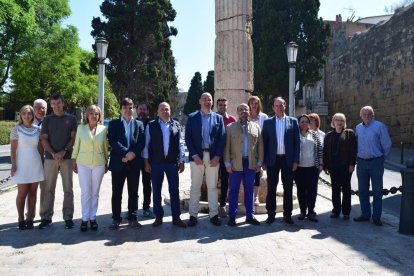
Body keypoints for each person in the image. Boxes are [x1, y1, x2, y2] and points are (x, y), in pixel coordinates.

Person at [143, 102, 187, 228]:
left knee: (174, 190)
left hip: (172, 163)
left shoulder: (176, 125)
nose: (164, 111)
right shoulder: (151, 125)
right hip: (156, 163)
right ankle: (158, 217)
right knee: (156, 191)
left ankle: (176, 217)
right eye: (162, 109)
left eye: (166, 109)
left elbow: (180, 144)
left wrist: (182, 160)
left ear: (170, 110)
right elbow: (146, 145)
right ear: (157, 111)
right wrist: (146, 162)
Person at [185, 92, 225, 226]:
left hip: (213, 156)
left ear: (212, 102)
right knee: (195, 187)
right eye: (205, 99)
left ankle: (214, 214)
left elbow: (222, 138)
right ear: (200, 101)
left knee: (212, 187)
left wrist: (217, 156)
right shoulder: (192, 117)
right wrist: (194, 155)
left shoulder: (218, 118)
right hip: (197, 156)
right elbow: (188, 138)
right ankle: (193, 215)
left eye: (209, 99)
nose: (207, 101)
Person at [39, 93, 77, 229]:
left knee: (68, 189)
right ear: (50, 105)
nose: (56, 106)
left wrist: (63, 151)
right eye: (53, 103)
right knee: (48, 188)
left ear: (63, 103)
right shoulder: (47, 120)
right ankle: (46, 217)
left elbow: (73, 138)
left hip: (66, 158)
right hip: (50, 158)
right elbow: (44, 138)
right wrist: (54, 153)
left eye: (58, 103)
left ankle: (68, 217)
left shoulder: (71, 118)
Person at [108, 98, 145, 230]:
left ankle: (132, 217)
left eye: (130, 108)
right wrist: (126, 154)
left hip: (134, 163)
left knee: (133, 192)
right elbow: (112, 141)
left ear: (133, 109)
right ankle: (116, 218)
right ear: (121, 110)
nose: (128, 110)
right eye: (125, 108)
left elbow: (141, 142)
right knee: (117, 192)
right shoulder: (113, 124)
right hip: (119, 162)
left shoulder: (139, 124)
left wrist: (132, 154)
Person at [223, 103, 263, 226]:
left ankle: (250, 216)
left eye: (245, 109)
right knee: (234, 190)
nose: (243, 111)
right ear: (237, 112)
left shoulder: (256, 127)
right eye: (240, 109)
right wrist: (227, 163)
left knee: (249, 190)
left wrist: (259, 162)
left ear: (249, 111)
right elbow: (226, 147)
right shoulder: (230, 127)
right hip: (235, 164)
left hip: (250, 163)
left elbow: (260, 147)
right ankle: (232, 217)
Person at [262, 97, 300, 225]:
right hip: (272, 160)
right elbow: (264, 143)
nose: (279, 107)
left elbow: (297, 143)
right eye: (277, 105)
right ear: (273, 107)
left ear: (285, 106)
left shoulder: (293, 122)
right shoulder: (268, 123)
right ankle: (271, 214)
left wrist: (296, 160)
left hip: (287, 160)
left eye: (282, 105)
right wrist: (263, 161)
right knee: (271, 187)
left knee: (288, 188)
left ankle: (287, 215)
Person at [71, 105, 108, 232]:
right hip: (83, 163)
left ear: (99, 116)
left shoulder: (103, 129)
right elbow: (77, 145)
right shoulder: (81, 128)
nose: (94, 116)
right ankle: (84, 218)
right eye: (91, 113)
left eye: (96, 113)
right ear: (87, 115)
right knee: (86, 191)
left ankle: (93, 218)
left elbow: (105, 147)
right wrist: (74, 160)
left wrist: (106, 162)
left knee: (95, 192)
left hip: (99, 163)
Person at [354, 106, 391, 226]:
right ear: (361, 115)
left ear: (372, 115)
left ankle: (376, 217)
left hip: (376, 162)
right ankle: (365, 214)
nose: (366, 116)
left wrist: (380, 159)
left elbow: (387, 144)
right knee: (363, 191)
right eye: (364, 114)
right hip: (361, 162)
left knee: (377, 191)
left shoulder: (379, 126)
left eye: (369, 114)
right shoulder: (358, 128)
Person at [10, 105, 44, 230]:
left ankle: (30, 218)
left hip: (35, 163)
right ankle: (21, 219)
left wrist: (43, 162)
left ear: (32, 115)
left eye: (29, 113)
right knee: (22, 193)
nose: (27, 115)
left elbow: (40, 148)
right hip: (21, 164)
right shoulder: (16, 129)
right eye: (24, 113)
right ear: (20, 115)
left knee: (33, 192)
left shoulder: (37, 129)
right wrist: (13, 164)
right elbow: (13, 150)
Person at [323, 113, 357, 220]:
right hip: (333, 166)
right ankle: (336, 210)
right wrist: (326, 165)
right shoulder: (328, 135)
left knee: (346, 189)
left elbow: (353, 150)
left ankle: (346, 212)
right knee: (335, 189)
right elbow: (326, 151)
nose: (339, 122)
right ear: (333, 122)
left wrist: (352, 164)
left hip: (346, 166)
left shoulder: (349, 133)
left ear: (344, 122)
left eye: (341, 120)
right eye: (337, 120)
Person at [294, 114, 323, 222]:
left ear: (309, 123)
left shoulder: (314, 134)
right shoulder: (295, 135)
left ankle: (311, 212)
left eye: (306, 121)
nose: (304, 123)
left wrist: (320, 164)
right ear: (299, 123)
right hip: (299, 168)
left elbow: (320, 150)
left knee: (312, 190)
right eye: (302, 121)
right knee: (301, 190)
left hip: (312, 167)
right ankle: (302, 211)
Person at [216, 98, 236, 217]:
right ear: (217, 106)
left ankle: (222, 204)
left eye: (224, 105)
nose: (222, 107)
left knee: (224, 181)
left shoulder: (232, 120)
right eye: (220, 105)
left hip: (226, 156)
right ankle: (213, 205)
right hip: (214, 155)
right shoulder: (212, 118)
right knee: (212, 180)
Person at [248, 96, 268, 206]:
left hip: (260, 149)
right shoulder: (247, 116)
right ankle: (248, 197)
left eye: (256, 103)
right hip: (249, 150)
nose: (254, 105)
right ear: (249, 104)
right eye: (252, 103)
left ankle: (255, 197)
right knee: (248, 174)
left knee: (257, 173)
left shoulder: (264, 117)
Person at [136, 102, 154, 218]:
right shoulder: (132, 123)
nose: (142, 111)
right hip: (134, 159)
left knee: (147, 184)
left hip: (148, 159)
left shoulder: (152, 124)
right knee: (133, 184)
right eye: (140, 109)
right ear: (136, 111)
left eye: (144, 109)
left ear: (147, 111)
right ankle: (132, 208)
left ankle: (146, 207)